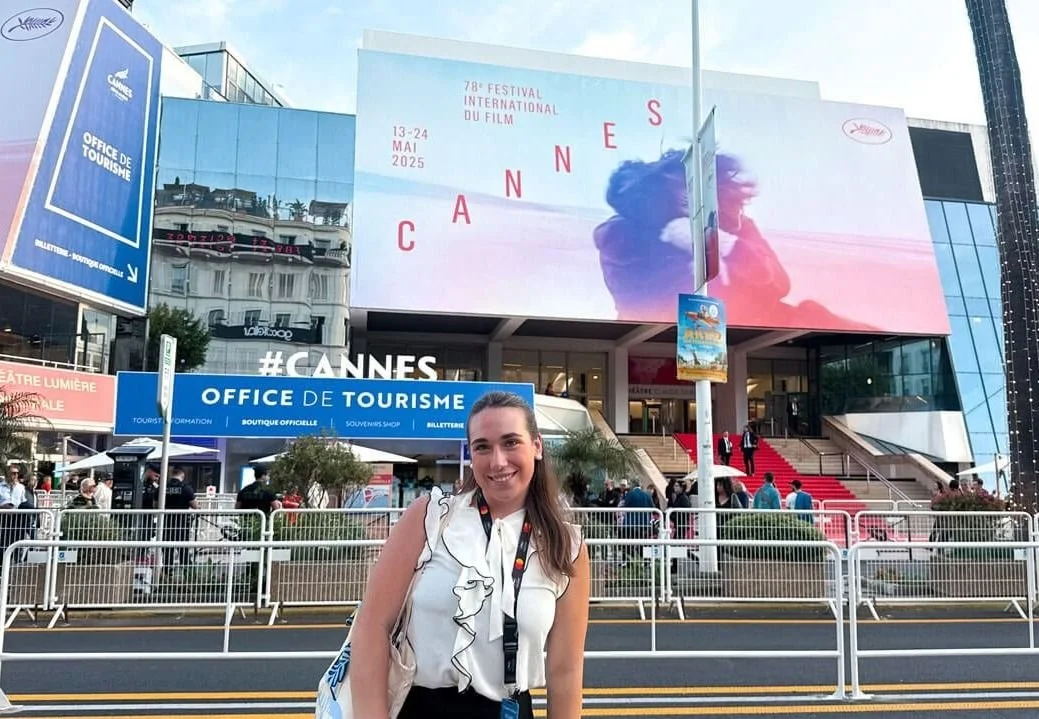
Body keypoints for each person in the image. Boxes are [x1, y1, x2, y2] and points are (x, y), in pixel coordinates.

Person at [350, 391, 590, 719]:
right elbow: (371, 626)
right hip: (422, 709)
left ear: (537, 446)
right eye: (482, 447)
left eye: (511, 442)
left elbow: (565, 672)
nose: (498, 461)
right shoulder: (429, 517)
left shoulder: (566, 545)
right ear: (470, 454)